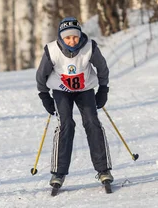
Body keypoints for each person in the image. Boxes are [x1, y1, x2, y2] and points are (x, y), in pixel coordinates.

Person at [36, 17, 113, 194]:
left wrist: (103, 89)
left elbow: (102, 68)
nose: (72, 41)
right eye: (68, 37)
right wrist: (44, 96)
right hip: (61, 91)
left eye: (75, 37)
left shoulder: (89, 47)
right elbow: (41, 76)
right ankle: (58, 173)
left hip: (84, 89)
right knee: (66, 125)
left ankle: (103, 170)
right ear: (61, 37)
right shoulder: (52, 50)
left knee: (92, 122)